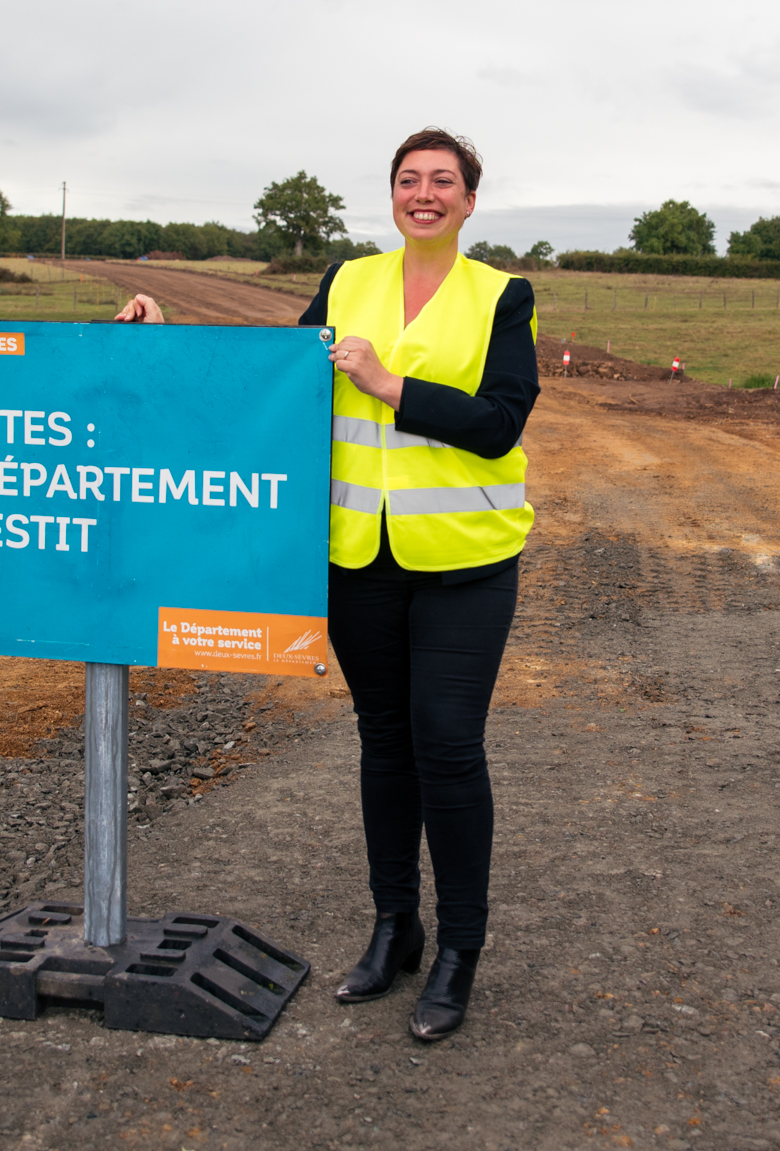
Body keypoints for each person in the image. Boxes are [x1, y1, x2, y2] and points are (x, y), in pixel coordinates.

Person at [115, 127, 536, 1042]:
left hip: (466, 563)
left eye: (443, 181)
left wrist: (391, 385)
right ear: (392, 195)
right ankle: (396, 927)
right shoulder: (350, 282)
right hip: (359, 561)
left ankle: (462, 948)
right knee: (385, 743)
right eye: (408, 180)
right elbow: (263, 377)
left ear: (469, 200)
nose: (424, 194)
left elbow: (502, 422)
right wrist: (164, 338)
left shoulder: (502, 295)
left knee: (448, 746)